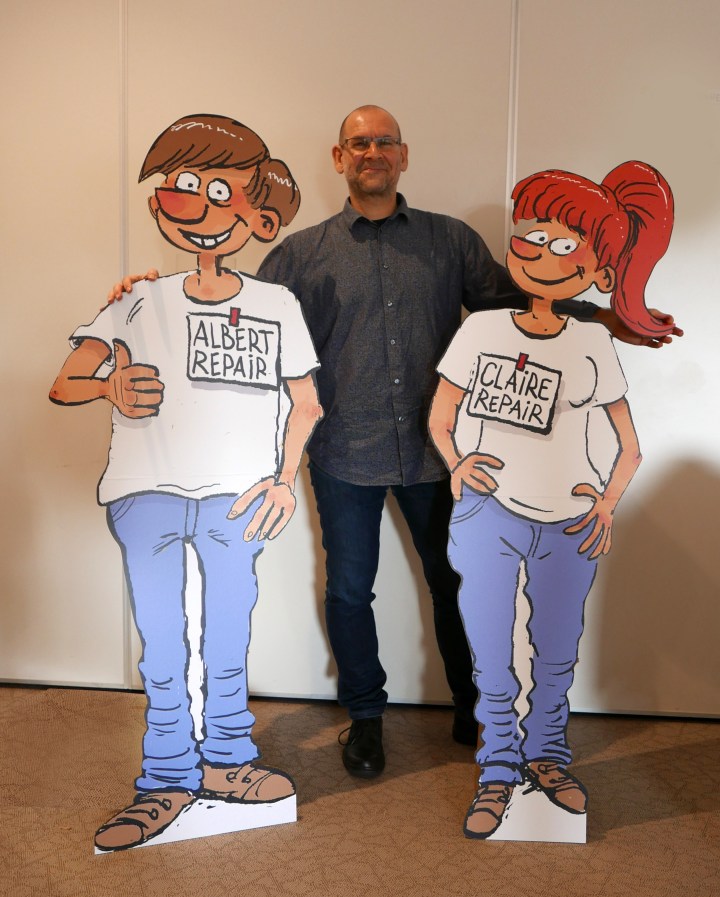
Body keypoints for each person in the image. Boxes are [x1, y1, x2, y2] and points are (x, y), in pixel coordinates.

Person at [111, 106, 680, 782]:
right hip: (343, 453)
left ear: (403, 156)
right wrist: (151, 297)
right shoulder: (301, 253)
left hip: (438, 455)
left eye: (384, 141)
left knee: (455, 582)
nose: (371, 151)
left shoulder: (450, 241)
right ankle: (366, 717)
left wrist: (606, 316)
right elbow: (238, 322)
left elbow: (517, 301)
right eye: (358, 142)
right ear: (339, 157)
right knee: (351, 590)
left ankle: (474, 708)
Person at [50, 114, 322, 850]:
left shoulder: (275, 304)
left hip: (236, 497)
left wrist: (284, 482)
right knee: (163, 643)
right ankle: (167, 777)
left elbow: (305, 403)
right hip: (147, 493)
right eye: (180, 184)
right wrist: (109, 384)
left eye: (215, 189)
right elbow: (67, 379)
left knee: (228, 635)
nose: (192, 202)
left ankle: (227, 760)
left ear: (258, 217)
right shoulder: (141, 298)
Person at [428, 161, 674, 838]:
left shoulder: (593, 340)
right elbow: (441, 417)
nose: (541, 251)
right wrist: (457, 464)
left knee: (556, 652)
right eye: (532, 235)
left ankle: (548, 758)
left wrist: (606, 505)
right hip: (489, 516)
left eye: (565, 244)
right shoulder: (482, 329)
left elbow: (630, 446)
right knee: (491, 654)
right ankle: (497, 768)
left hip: (570, 523)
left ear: (598, 270)